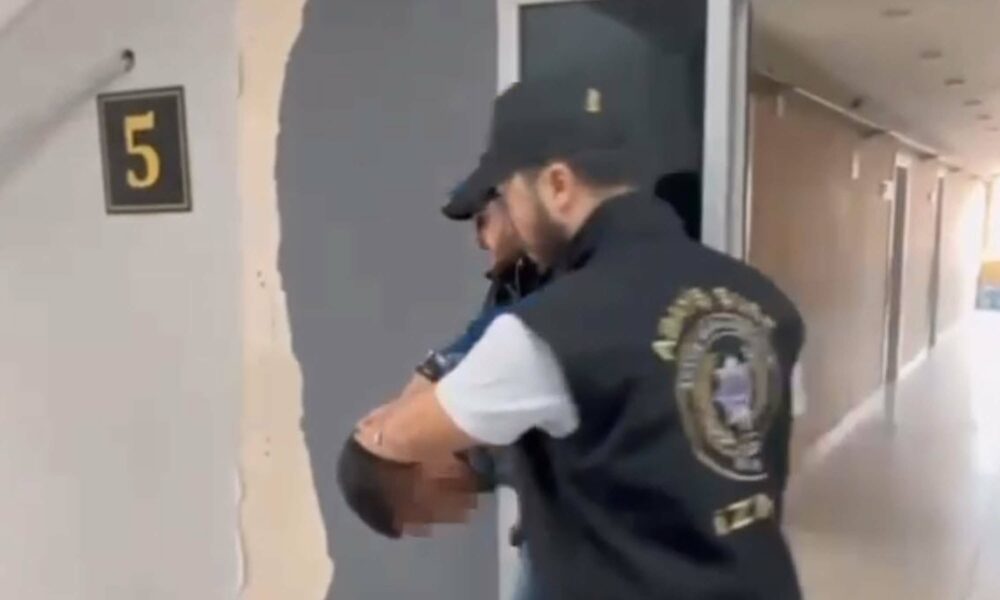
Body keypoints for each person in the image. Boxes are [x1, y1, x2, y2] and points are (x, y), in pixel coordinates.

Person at [354, 68, 805, 599]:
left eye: (509, 193)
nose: (509, 215)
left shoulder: (550, 330)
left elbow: (406, 436)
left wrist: (376, 434)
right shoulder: (766, 304)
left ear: (557, 185)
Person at [338, 184, 545, 597]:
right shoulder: (484, 456)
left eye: (425, 515)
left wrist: (425, 386)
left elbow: (516, 330)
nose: (451, 521)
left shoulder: (477, 379)